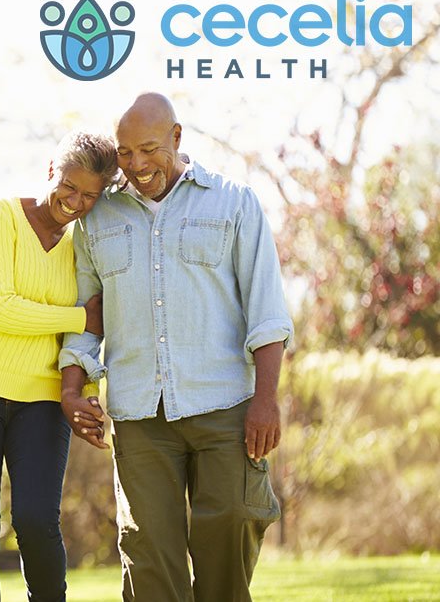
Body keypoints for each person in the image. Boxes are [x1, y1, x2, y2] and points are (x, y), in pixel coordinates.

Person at [58, 93, 294, 602]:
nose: (137, 165)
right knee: (149, 560)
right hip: (141, 415)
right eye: (124, 153)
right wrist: (73, 386)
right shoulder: (96, 220)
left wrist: (267, 398)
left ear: (176, 138)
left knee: (231, 530)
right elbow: (85, 314)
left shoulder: (233, 201)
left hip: (225, 405)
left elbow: (267, 310)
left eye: (148, 149)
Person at [0, 131, 119, 602]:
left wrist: (85, 371)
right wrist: (79, 316)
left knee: (37, 521)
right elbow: (0, 308)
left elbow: (90, 322)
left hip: (41, 398)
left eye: (90, 196)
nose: (75, 202)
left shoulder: (83, 243)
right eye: (69, 187)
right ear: (49, 170)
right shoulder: (1, 215)